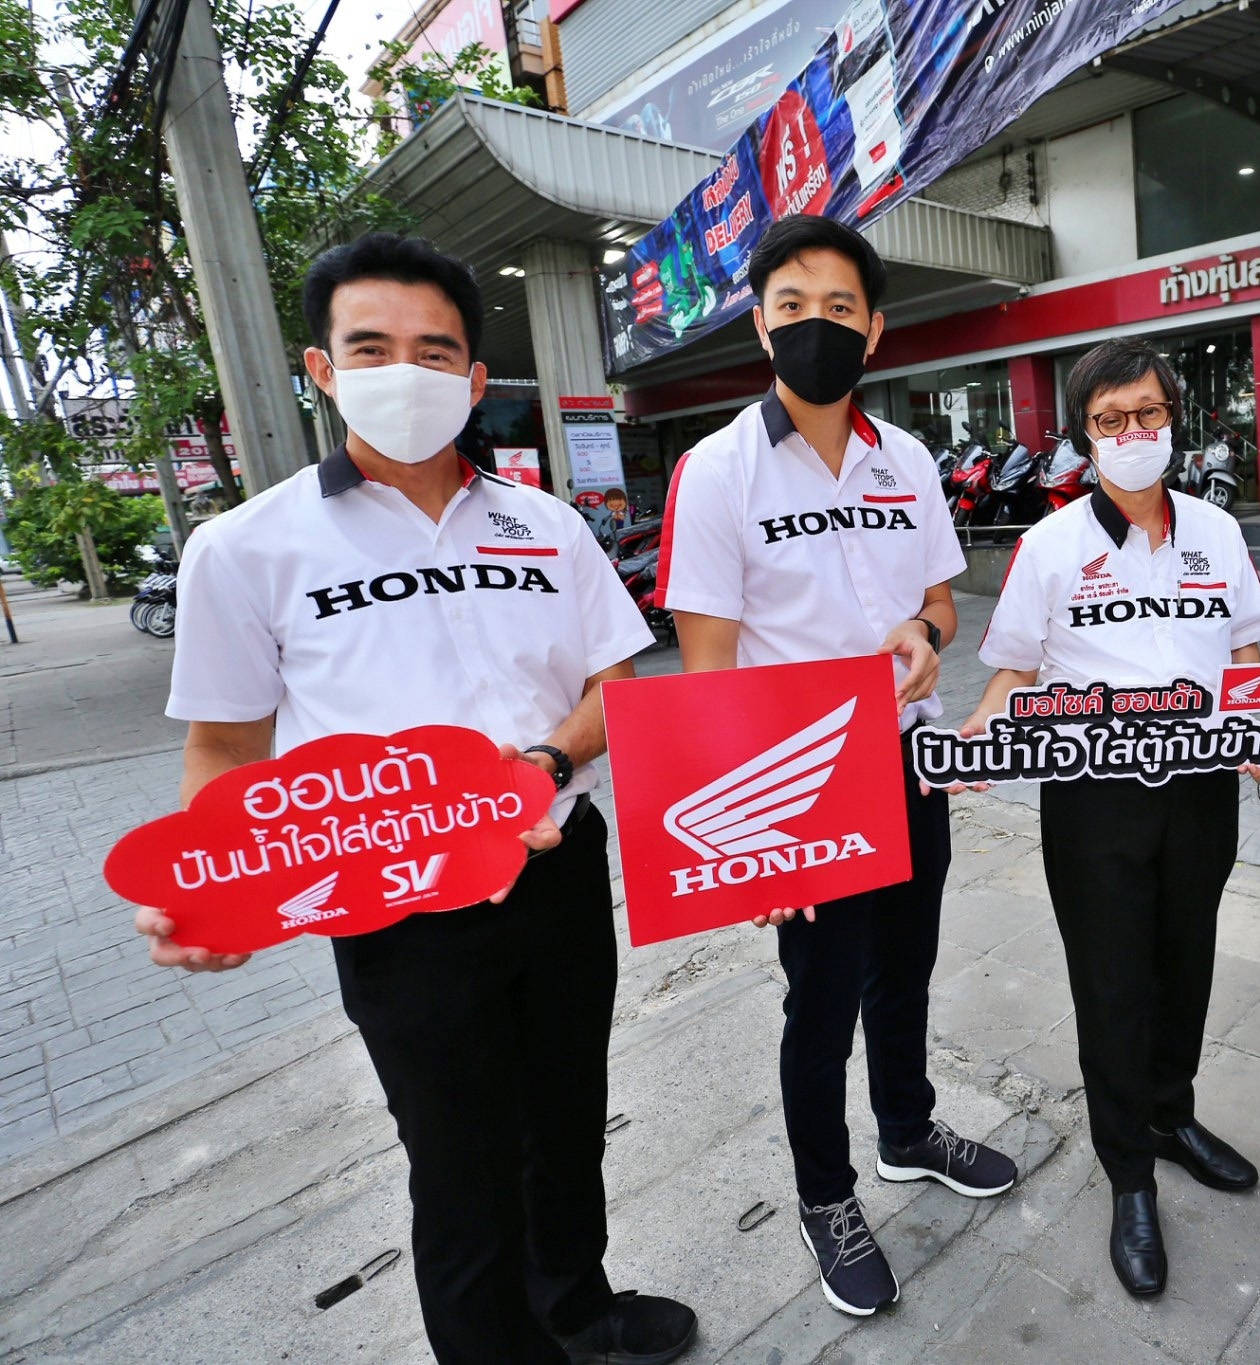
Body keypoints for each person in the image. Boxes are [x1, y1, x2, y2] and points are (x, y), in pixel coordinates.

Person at [132, 232, 697, 1365]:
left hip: (556, 871)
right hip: (395, 911)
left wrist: (544, 763)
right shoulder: (247, 547)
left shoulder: (546, 527)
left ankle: (577, 1306)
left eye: (434, 351)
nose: (405, 371)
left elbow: (616, 683)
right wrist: (220, 887)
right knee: (459, 1169)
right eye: (371, 347)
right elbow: (226, 744)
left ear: (474, 379)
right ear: (322, 368)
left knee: (566, 1120)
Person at [656, 215, 1018, 1318]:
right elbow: (705, 673)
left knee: (905, 969)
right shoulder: (716, 471)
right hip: (800, 788)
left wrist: (926, 635)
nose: (817, 324)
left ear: (875, 328)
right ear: (761, 326)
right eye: (793, 305)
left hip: (906, 764)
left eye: (840, 307)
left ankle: (907, 1130)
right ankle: (827, 1196)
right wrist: (752, 840)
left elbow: (941, 602)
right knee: (818, 1007)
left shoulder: (904, 459)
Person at [962, 337, 1260, 1299]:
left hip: (1202, 786)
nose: (1133, 431)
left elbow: (1245, 649)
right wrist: (981, 729)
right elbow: (1015, 669)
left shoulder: (1215, 531)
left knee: (1187, 964)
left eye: (1148, 412)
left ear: (1174, 419)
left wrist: (1256, 728)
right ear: (1084, 434)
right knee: (1112, 984)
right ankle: (1128, 1171)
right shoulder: (1050, 546)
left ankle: (1171, 1116)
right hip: (1093, 797)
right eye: (1111, 419)